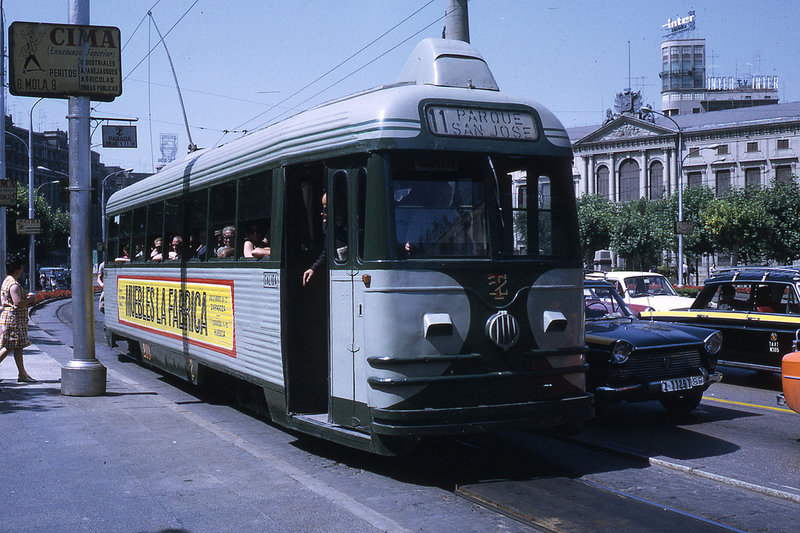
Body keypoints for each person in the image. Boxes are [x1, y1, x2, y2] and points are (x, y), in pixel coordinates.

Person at [0, 257, 37, 383]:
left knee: (17, 346)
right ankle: (22, 374)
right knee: (10, 346)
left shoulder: (7, 281)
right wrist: (30, 299)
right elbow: (18, 302)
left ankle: (22, 374)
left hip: (11, 319)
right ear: (18, 269)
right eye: (21, 267)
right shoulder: (14, 284)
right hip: (14, 320)